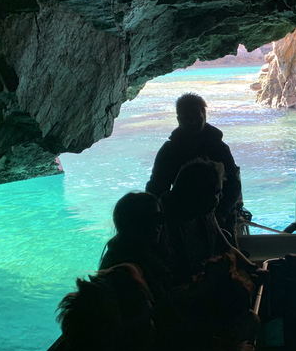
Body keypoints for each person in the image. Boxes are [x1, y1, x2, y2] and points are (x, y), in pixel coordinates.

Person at [146, 93, 242, 236]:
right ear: (179, 119)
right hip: (182, 214)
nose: (192, 122)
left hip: (219, 212)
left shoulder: (219, 148)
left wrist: (222, 213)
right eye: (187, 118)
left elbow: (233, 184)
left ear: (205, 115)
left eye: (197, 117)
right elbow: (157, 187)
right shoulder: (170, 151)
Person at [99, 192, 176, 330]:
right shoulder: (124, 269)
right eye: (146, 220)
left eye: (159, 218)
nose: (156, 225)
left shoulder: (143, 251)